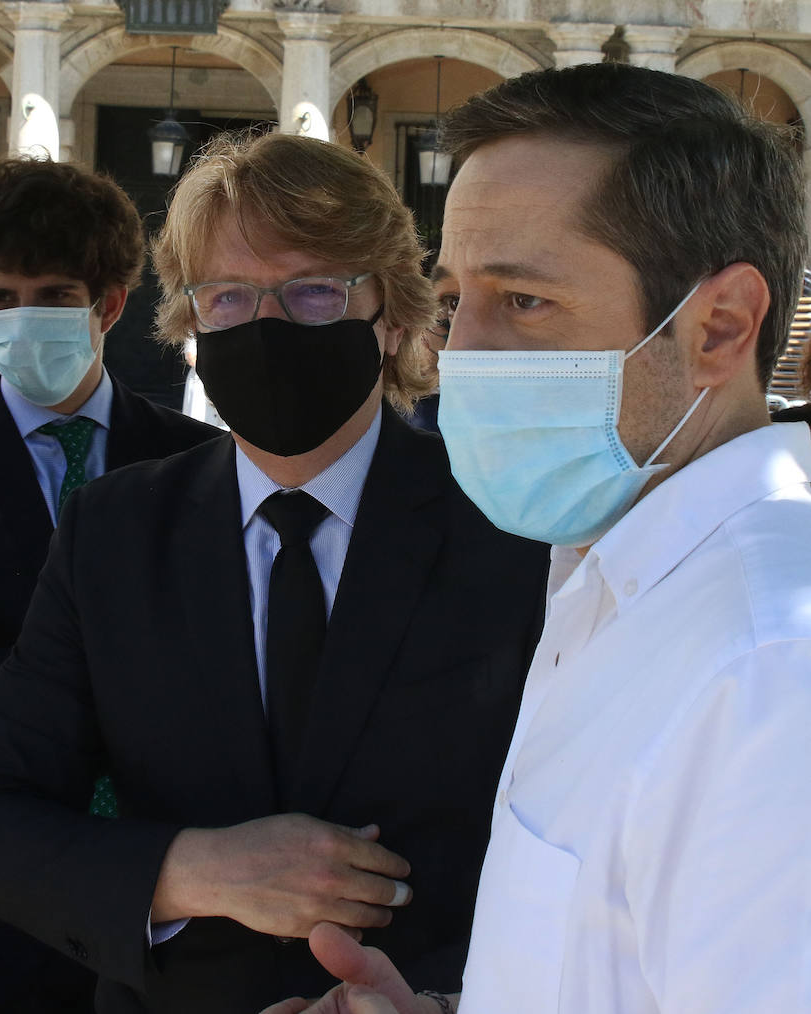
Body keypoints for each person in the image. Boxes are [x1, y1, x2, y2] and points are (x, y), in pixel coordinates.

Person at [0, 133, 549, 1012]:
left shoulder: (511, 528)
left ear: (392, 314)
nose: (267, 325)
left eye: (313, 291)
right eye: (227, 297)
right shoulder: (114, 532)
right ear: (189, 321)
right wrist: (193, 869)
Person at [265, 62, 811, 1014]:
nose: (456, 352)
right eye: (451, 300)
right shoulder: (609, 574)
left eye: (523, 302)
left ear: (719, 329)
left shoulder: (771, 669)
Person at [0, 155, 219, 1014]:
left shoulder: (194, 462)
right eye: (0, 298)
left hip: (158, 892)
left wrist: (10, 654)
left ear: (108, 306)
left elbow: (213, 689)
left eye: (54, 295)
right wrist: (123, 677)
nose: (23, 317)